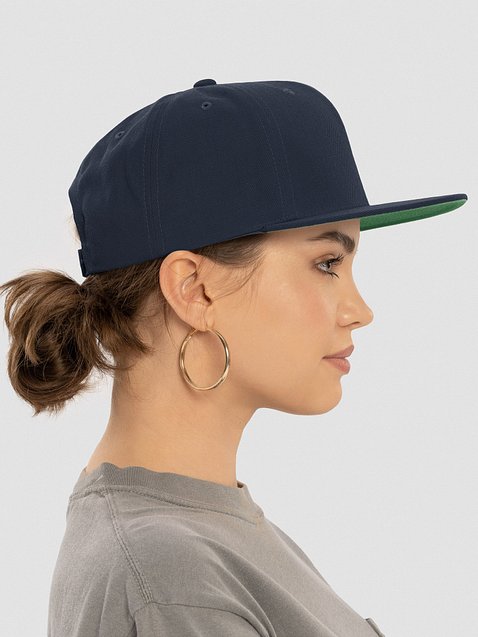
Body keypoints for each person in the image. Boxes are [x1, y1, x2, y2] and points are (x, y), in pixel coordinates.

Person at [0, 79, 467, 637]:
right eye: (327, 264)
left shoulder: (204, 534)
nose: (359, 311)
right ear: (195, 290)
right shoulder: (172, 576)